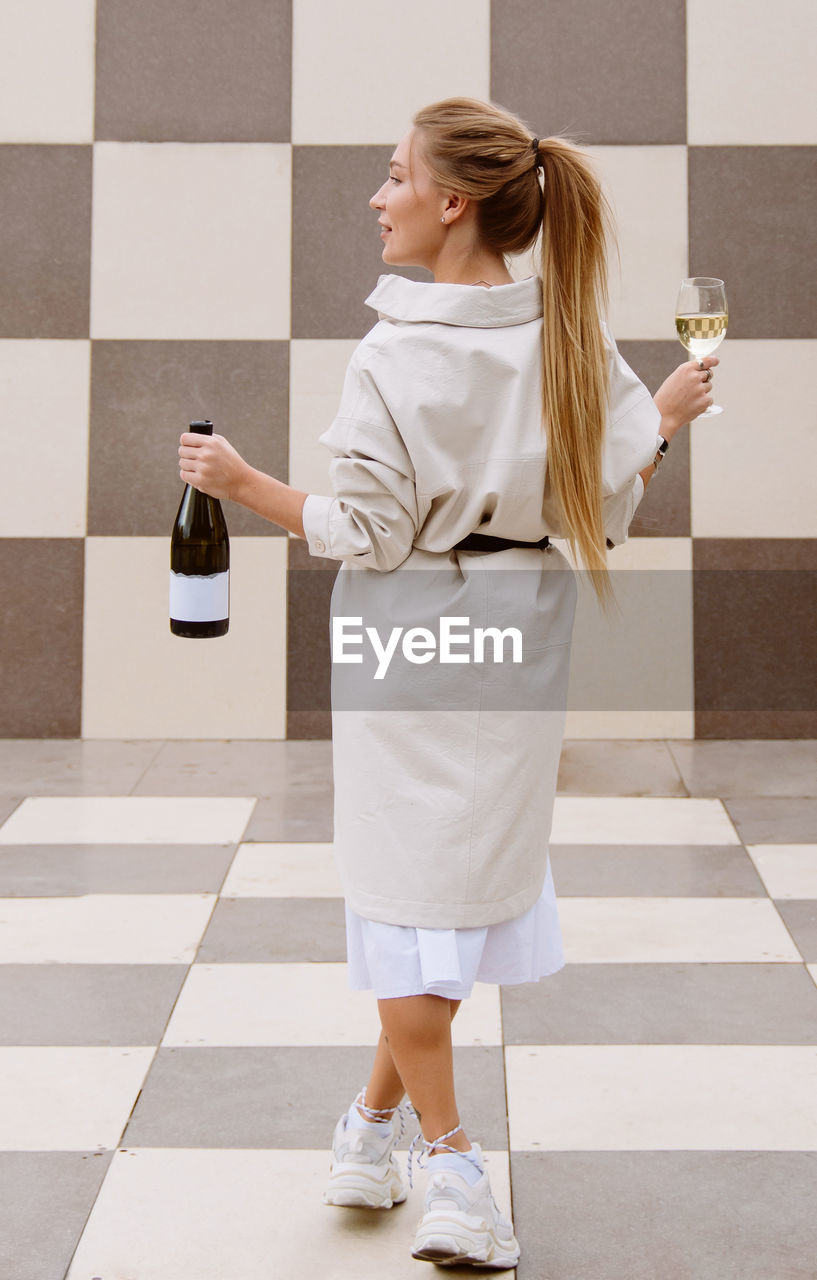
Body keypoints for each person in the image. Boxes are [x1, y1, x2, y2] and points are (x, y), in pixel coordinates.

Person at [178, 96, 717, 1270]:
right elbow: (605, 490)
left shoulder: (396, 352)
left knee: (412, 889)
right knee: (450, 881)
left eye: (392, 177)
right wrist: (663, 421)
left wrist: (236, 478)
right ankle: (369, 1130)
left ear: (452, 199)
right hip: (523, 627)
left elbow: (360, 532)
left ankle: (457, 1167)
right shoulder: (569, 332)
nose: (378, 199)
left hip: (409, 630)